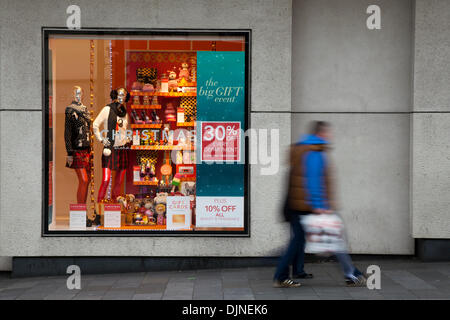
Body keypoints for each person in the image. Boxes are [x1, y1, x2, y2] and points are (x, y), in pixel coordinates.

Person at [274, 121, 366, 288]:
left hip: (296, 204)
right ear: (320, 133)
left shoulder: (302, 148)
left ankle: (281, 276)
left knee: (299, 240)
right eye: (328, 132)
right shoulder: (315, 151)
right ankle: (351, 274)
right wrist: (319, 205)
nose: (330, 136)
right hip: (309, 206)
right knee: (336, 237)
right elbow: (314, 181)